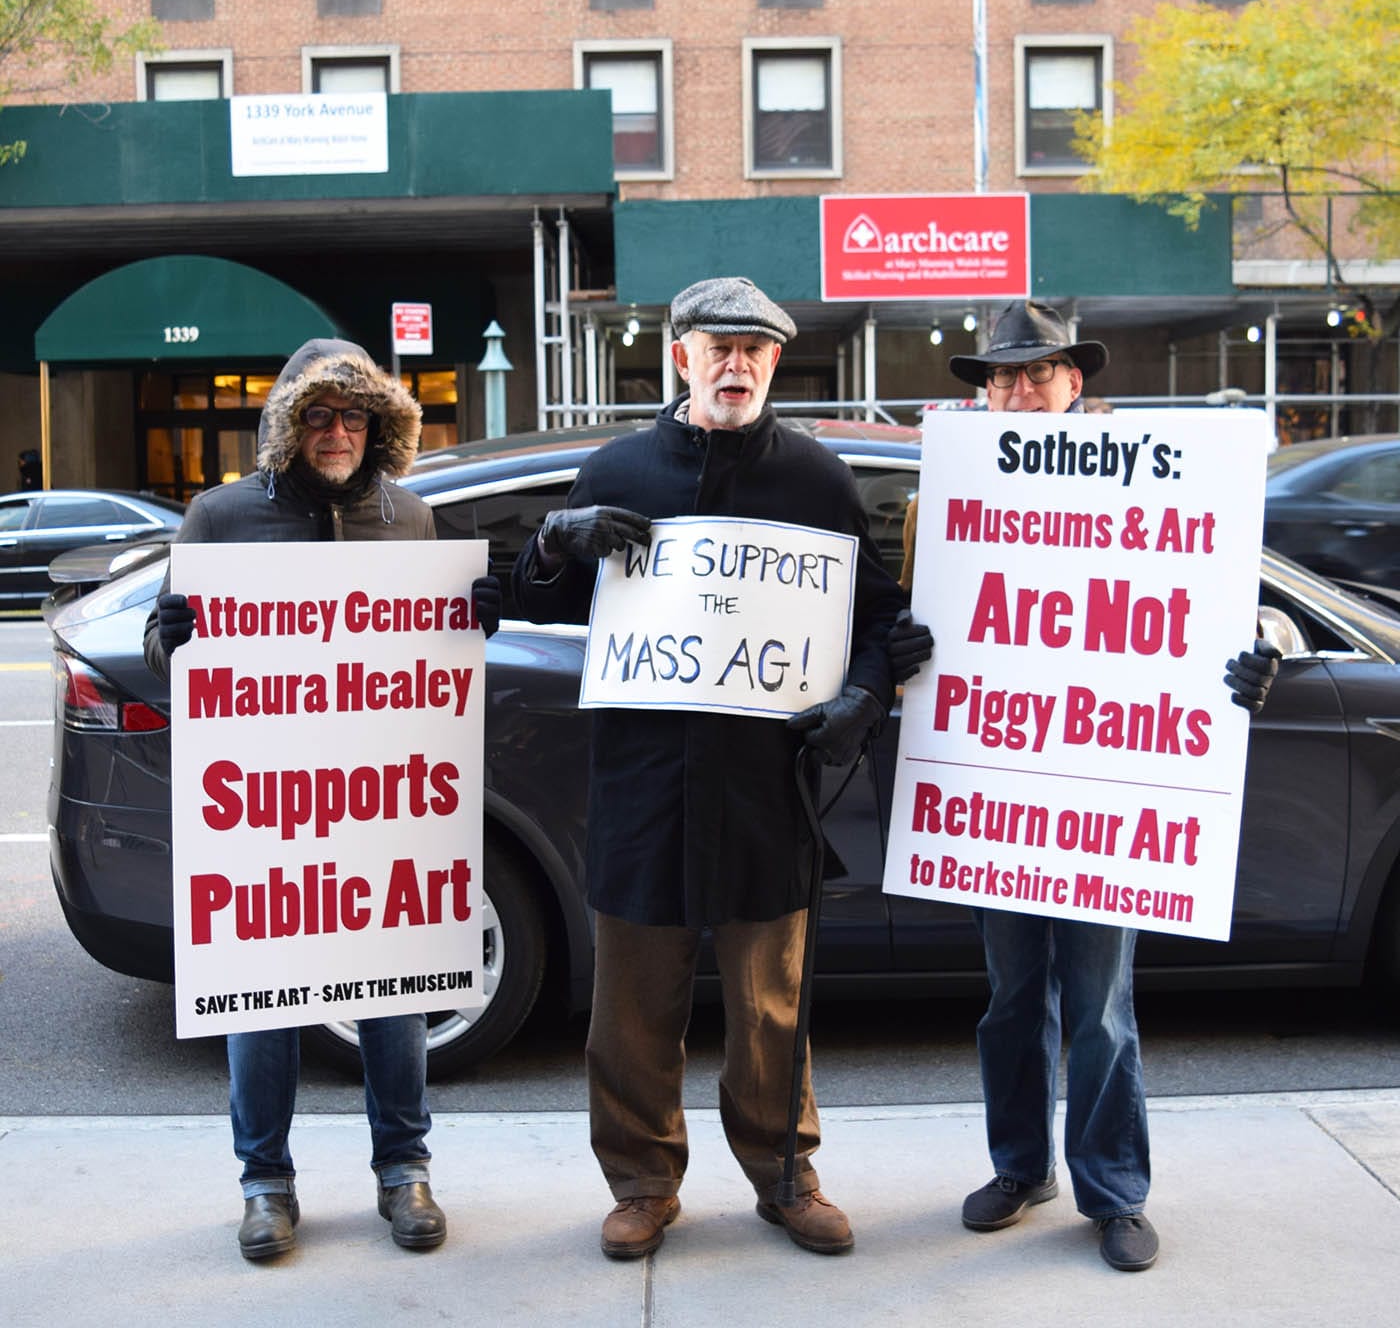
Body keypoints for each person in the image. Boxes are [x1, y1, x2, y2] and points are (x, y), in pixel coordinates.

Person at [512, 277, 906, 1260]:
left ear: (775, 362)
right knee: (631, 1005)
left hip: (763, 785)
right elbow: (536, 596)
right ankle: (642, 1180)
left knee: (771, 1003)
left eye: (755, 350)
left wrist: (861, 696)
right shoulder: (616, 467)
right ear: (677, 352)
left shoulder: (816, 481)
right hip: (641, 783)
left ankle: (785, 1175)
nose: (736, 364)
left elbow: (879, 618)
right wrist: (556, 541)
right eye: (717, 346)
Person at [889, 299, 1280, 1272]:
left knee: (1100, 1005)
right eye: (1000, 377)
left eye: (1036, 372)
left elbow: (1241, 592)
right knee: (1009, 998)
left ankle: (1113, 1187)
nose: (1017, 389)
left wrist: (1261, 651)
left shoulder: (1157, 475)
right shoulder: (935, 501)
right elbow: (917, 627)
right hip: (999, 788)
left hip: (1105, 789)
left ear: (1075, 382)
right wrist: (900, 648)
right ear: (982, 394)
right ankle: (1020, 1166)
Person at [143, 337, 502, 1262]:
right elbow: (162, 652)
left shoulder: (410, 517)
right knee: (261, 999)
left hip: (379, 799)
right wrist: (176, 637)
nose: (337, 432)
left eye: (354, 417)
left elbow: (425, 657)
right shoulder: (221, 517)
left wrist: (469, 621)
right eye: (318, 416)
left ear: (380, 426)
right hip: (268, 804)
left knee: (394, 985)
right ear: (287, 426)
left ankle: (403, 1171)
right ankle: (265, 1183)